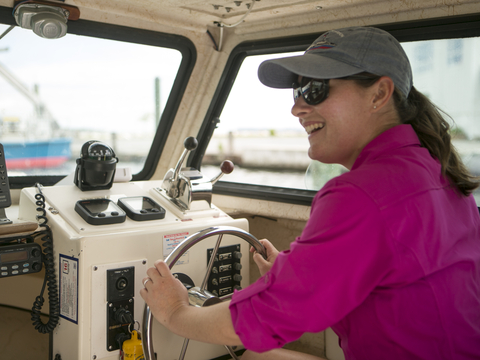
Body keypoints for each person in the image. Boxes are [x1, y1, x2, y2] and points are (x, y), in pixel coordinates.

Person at [140, 26, 480, 359]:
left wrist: (176, 313)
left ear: (379, 94)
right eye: (297, 91)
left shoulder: (361, 194)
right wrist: (294, 272)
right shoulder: (441, 172)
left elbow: (269, 317)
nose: (297, 108)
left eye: (315, 89)